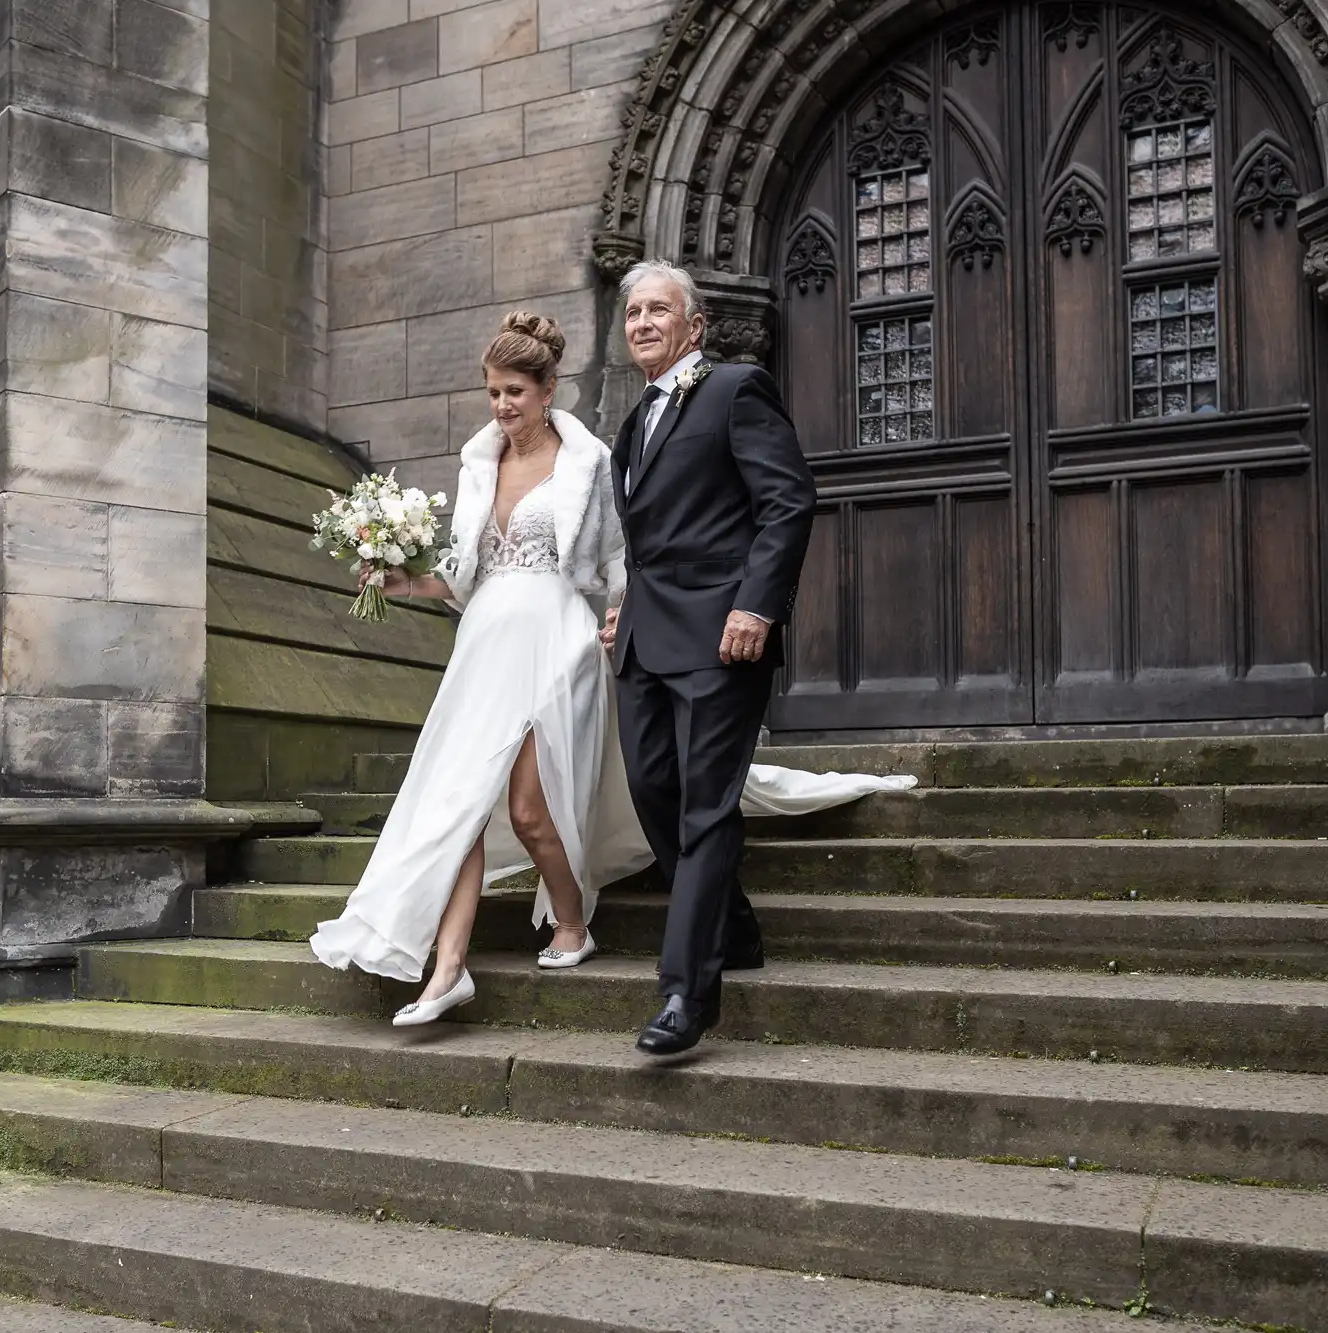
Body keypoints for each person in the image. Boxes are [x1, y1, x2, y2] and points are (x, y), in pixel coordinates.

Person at [309, 311, 912, 1029]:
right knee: (458, 798)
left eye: (514, 392)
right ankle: (447, 969)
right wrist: (402, 580)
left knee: (530, 810)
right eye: (493, 392)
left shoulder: (589, 459)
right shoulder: (478, 463)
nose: (502, 406)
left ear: (547, 389)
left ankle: (571, 920)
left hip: (558, 637)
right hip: (486, 642)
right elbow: (464, 572)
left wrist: (627, 610)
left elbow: (630, 553)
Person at [603, 261, 815, 1056]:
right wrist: (626, 607)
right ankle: (735, 927)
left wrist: (757, 604)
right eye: (633, 315)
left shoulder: (734, 389)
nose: (644, 324)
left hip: (724, 637)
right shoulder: (634, 421)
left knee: (704, 806)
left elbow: (787, 499)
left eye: (660, 310)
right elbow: (652, 540)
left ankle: (686, 991)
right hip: (645, 640)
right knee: (654, 790)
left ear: (695, 326)